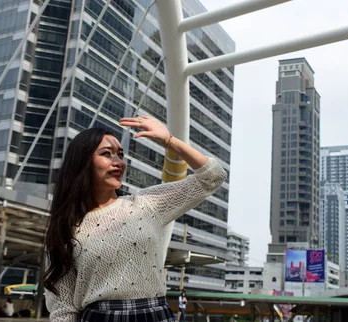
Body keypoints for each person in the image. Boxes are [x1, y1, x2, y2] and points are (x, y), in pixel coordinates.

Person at [43, 116, 227, 322]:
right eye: (107, 154)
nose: (118, 162)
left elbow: (213, 176)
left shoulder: (146, 204)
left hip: (155, 315)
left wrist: (168, 140)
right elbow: (63, 309)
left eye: (120, 155)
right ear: (83, 162)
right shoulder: (65, 227)